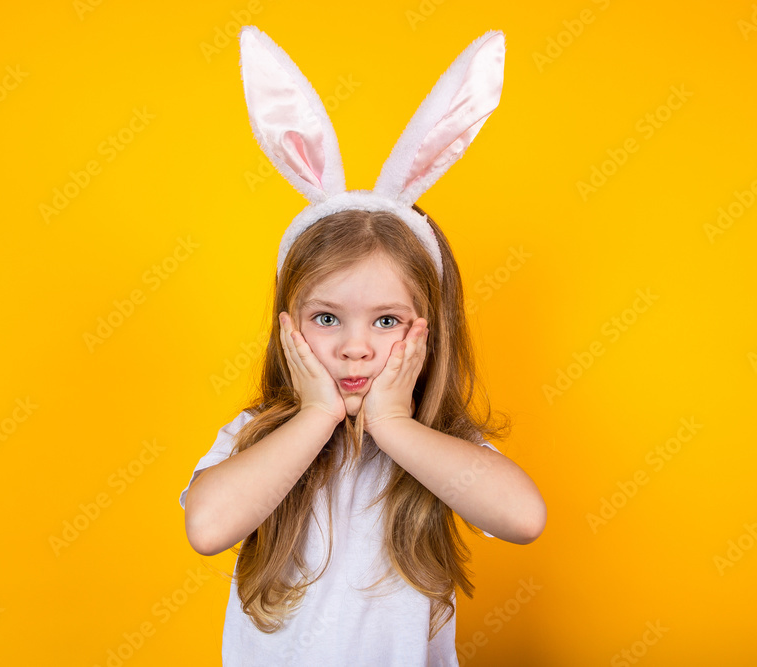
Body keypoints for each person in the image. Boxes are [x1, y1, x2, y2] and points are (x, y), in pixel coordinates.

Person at [179, 25, 546, 666]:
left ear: (432, 328)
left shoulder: (435, 441)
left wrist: (395, 424)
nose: (355, 349)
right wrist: (318, 416)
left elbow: (523, 517)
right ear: (287, 326)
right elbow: (208, 529)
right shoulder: (260, 435)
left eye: (386, 322)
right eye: (327, 319)